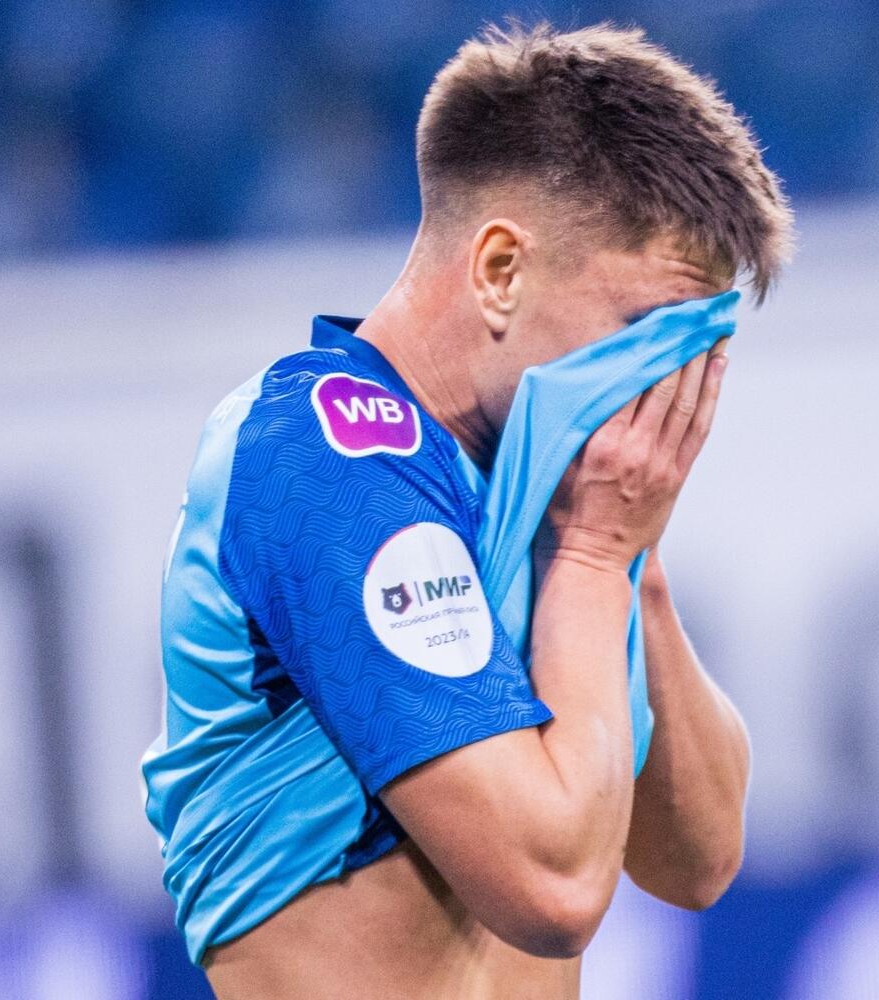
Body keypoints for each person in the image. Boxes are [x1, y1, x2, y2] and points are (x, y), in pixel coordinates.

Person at [141, 23, 792, 1000]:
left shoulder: (544, 489)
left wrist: (631, 555)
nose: (659, 383)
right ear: (499, 270)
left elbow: (696, 856)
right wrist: (593, 552)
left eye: (686, 350)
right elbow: (551, 887)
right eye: (638, 333)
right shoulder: (324, 451)